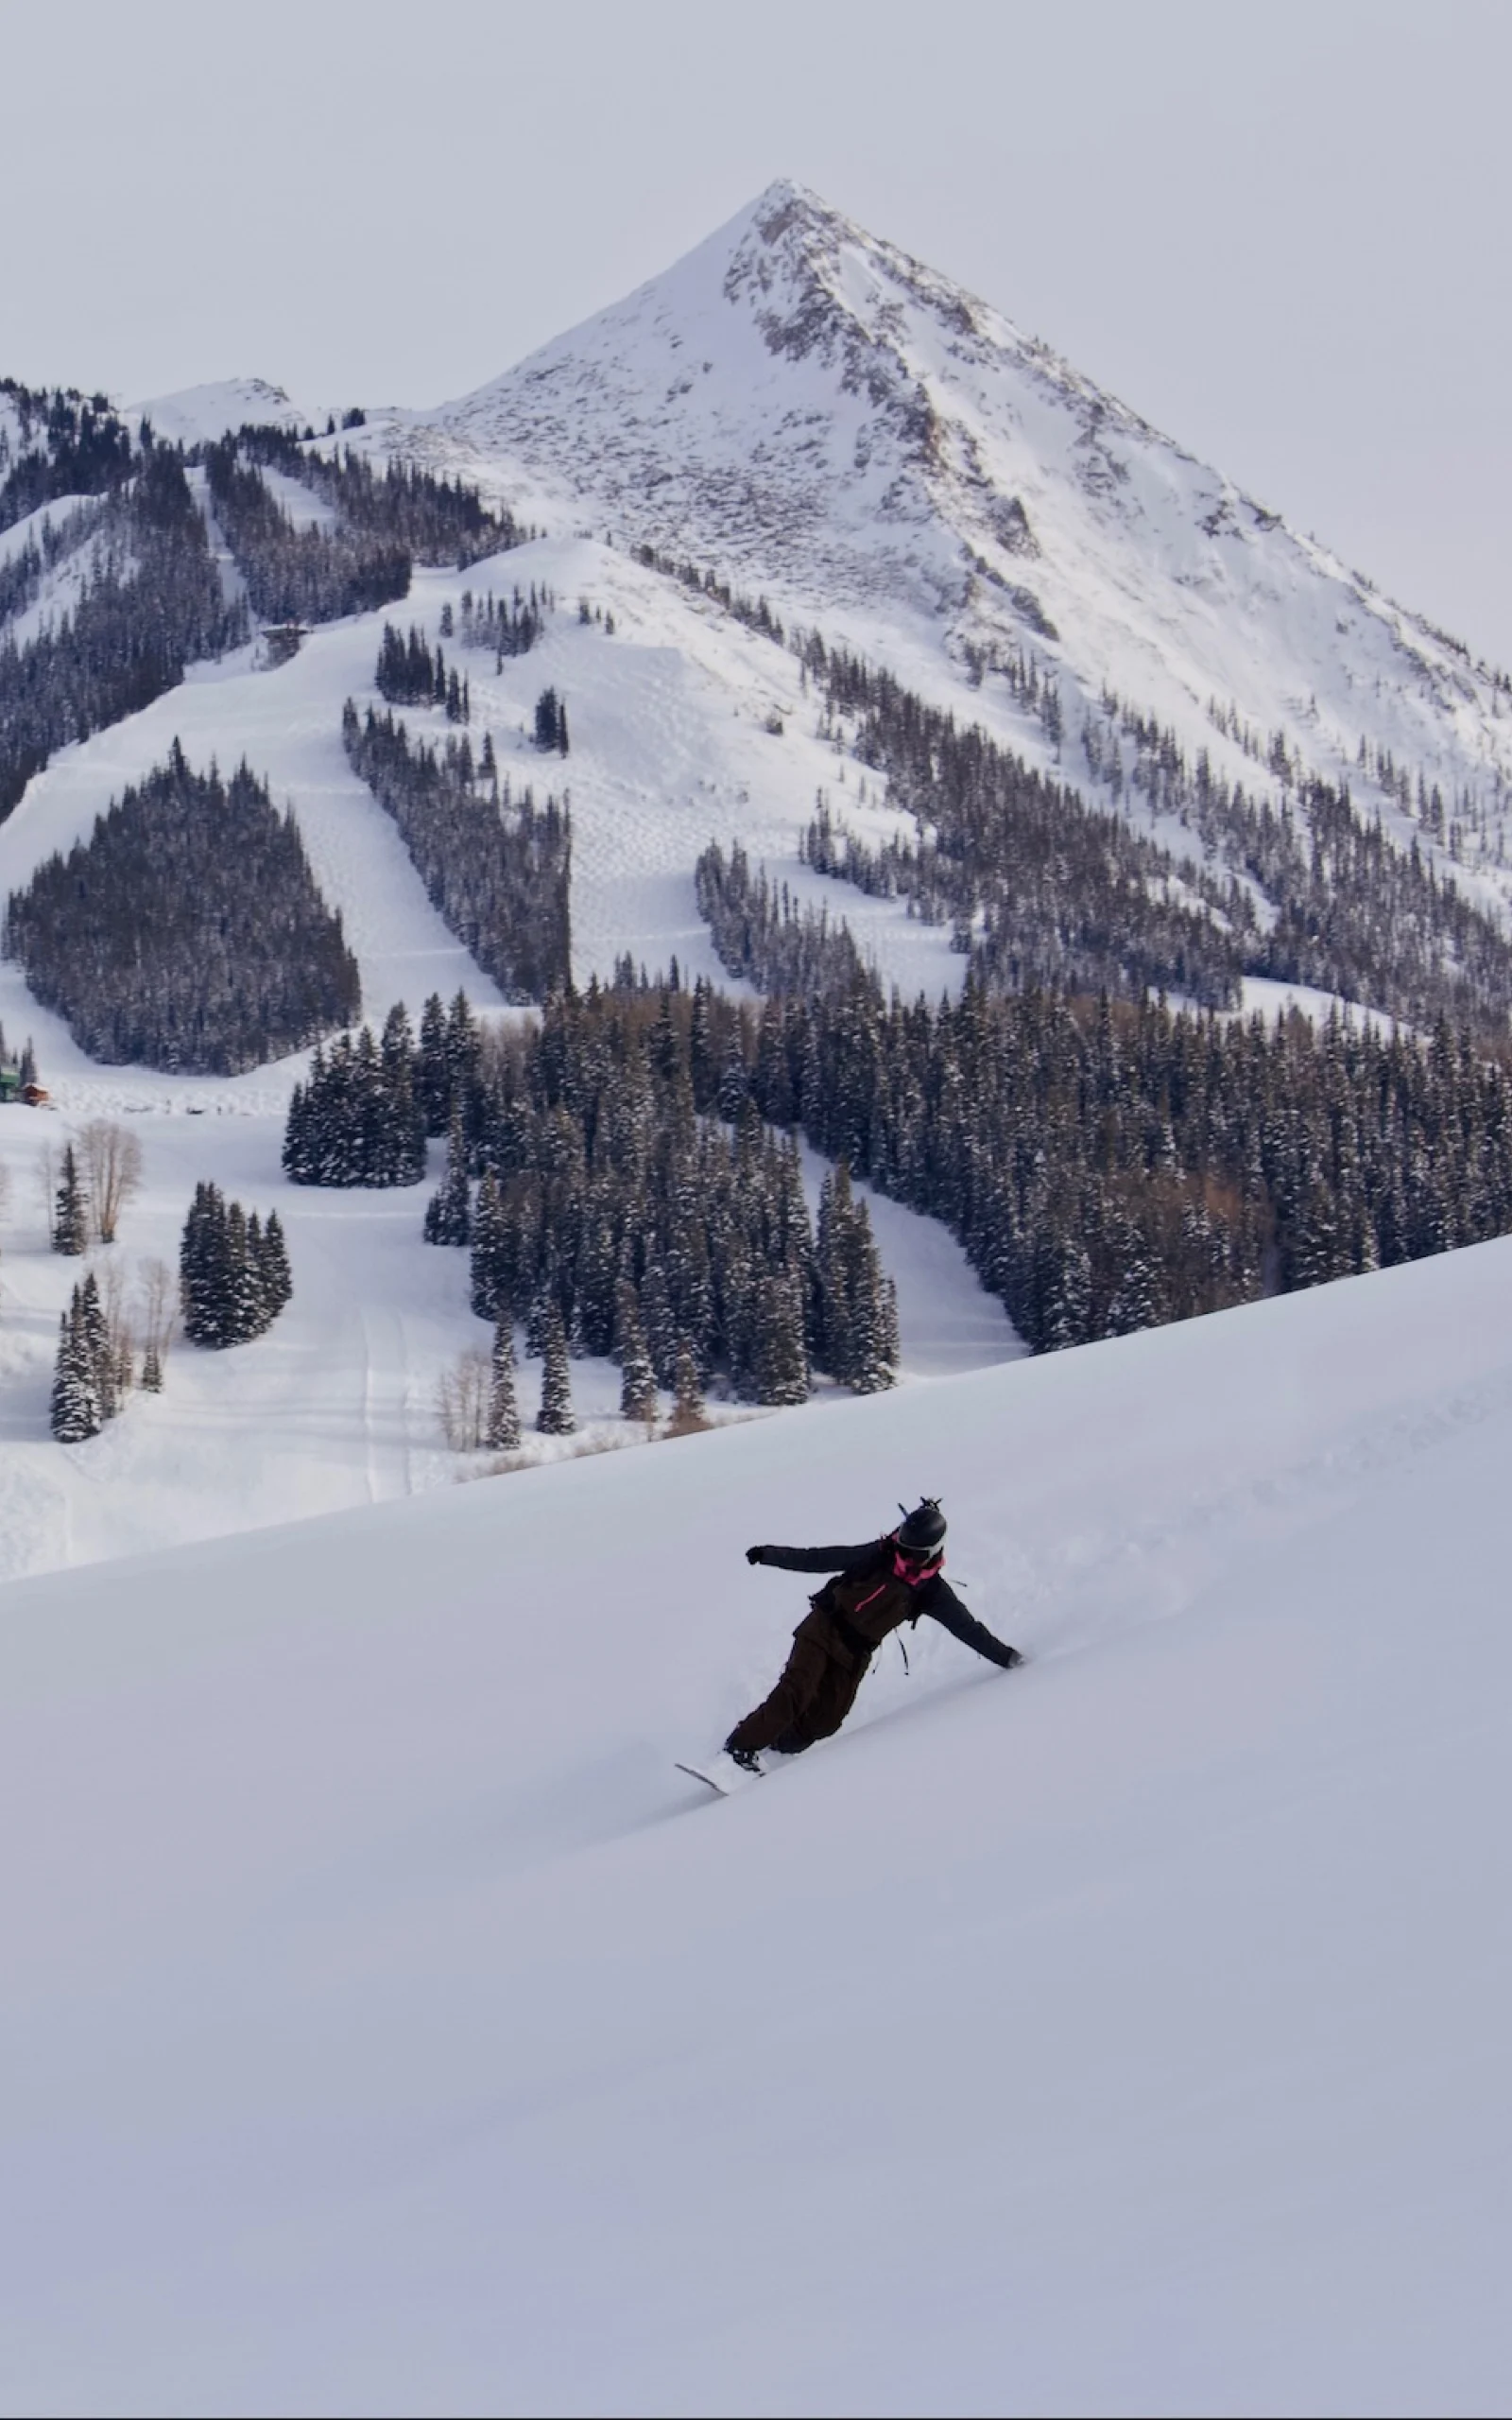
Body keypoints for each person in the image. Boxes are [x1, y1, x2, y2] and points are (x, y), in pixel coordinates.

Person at [725, 1497, 1022, 1770]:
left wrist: (1007, 1657)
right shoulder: (879, 1555)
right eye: (903, 1543)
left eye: (911, 1551)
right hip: (823, 1625)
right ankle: (738, 1748)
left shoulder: (931, 1592)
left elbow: (967, 1628)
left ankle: (777, 1748)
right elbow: (821, 1558)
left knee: (827, 1720)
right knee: (797, 1689)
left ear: (931, 1552)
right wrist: (769, 1554)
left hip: (853, 1654)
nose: (902, 1553)